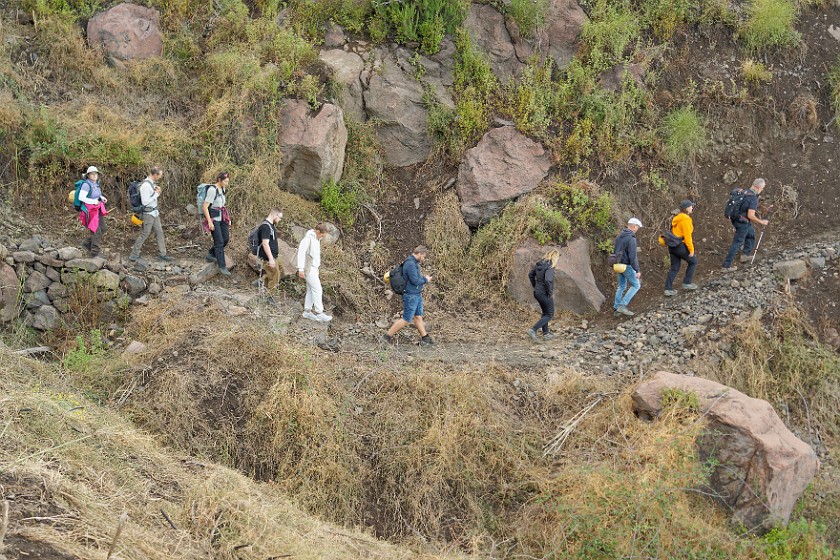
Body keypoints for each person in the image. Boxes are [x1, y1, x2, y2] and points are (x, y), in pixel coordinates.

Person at [383, 246, 433, 346]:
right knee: (407, 319)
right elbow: (415, 281)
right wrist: (426, 280)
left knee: (418, 316)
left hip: (416, 295)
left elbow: (415, 278)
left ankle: (425, 338)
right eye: (423, 257)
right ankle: (386, 337)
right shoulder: (410, 264)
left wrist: (423, 278)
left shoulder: (414, 263)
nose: (423, 259)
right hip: (411, 295)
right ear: (419, 254)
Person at [129, 166, 173, 265]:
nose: (160, 178)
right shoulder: (145, 186)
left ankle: (162, 253)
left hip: (154, 212)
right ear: (155, 175)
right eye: (160, 176)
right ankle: (134, 254)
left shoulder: (151, 184)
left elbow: (151, 197)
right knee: (145, 233)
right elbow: (145, 202)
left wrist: (157, 192)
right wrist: (156, 194)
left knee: (159, 231)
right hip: (148, 213)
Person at [722, 178, 769, 271]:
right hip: (742, 222)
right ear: (758, 187)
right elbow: (750, 215)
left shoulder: (744, 192)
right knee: (737, 242)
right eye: (762, 188)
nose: (762, 190)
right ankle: (726, 266)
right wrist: (761, 222)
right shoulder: (753, 198)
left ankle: (745, 255)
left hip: (736, 219)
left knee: (751, 233)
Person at [296, 222, 334, 322]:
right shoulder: (308, 239)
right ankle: (319, 312)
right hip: (308, 269)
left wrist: (317, 268)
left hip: (314, 268)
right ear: (317, 231)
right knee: (318, 289)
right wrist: (300, 269)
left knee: (311, 290)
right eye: (323, 234)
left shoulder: (317, 239)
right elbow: (301, 253)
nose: (324, 236)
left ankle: (307, 312)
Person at [661, 200, 698, 296]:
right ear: (686, 208)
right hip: (680, 246)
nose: (692, 208)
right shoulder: (686, 219)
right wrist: (691, 250)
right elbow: (687, 237)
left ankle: (668, 289)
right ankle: (687, 283)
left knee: (674, 267)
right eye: (691, 206)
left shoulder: (677, 218)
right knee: (693, 262)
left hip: (672, 246)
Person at [202, 171, 232, 276]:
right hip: (214, 219)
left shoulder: (222, 189)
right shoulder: (212, 190)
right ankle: (222, 266)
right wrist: (210, 222)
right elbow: (205, 207)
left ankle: (211, 253)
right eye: (225, 181)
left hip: (222, 218)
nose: (227, 183)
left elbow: (222, 205)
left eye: (228, 181)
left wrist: (228, 218)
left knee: (225, 239)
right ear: (219, 180)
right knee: (219, 241)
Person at [527, 249, 560, 342]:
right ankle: (533, 330)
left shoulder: (539, 264)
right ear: (554, 257)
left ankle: (546, 334)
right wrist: (549, 292)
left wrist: (535, 286)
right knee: (549, 314)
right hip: (544, 293)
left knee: (545, 313)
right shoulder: (550, 266)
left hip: (537, 293)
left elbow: (530, 275)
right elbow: (548, 280)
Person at [613, 217, 643, 317]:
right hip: (626, 266)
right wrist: (637, 270)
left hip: (617, 265)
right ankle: (622, 305)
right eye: (638, 227)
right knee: (636, 285)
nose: (638, 229)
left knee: (621, 286)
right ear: (634, 226)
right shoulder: (631, 238)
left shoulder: (619, 236)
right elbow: (632, 256)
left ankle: (616, 307)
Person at [77, 166, 107, 257]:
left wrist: (102, 198)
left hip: (97, 209)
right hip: (89, 211)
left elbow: (98, 195)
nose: (94, 175)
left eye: (96, 173)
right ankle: (95, 252)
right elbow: (81, 198)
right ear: (88, 175)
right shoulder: (86, 185)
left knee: (103, 228)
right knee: (96, 230)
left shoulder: (96, 184)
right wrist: (94, 201)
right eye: (92, 173)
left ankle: (86, 243)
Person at [258, 208, 283, 291]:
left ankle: (261, 280)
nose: (280, 220)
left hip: (275, 256)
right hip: (269, 257)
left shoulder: (271, 225)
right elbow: (265, 244)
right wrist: (271, 259)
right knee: (274, 277)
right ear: (274, 215)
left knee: (280, 272)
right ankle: (270, 297)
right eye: (279, 217)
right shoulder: (266, 226)